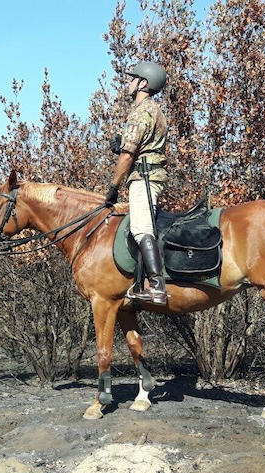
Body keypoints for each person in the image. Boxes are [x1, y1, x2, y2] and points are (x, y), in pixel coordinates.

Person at [105, 61, 169, 306]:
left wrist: (113, 187)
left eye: (133, 78)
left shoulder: (140, 112)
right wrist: (122, 145)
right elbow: (141, 146)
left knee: (141, 228)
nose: (129, 82)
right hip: (151, 174)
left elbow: (129, 155)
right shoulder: (154, 110)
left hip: (144, 178)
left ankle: (157, 287)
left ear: (144, 83)